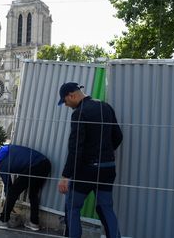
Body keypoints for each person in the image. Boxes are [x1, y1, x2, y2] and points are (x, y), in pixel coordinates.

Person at [56, 82, 123, 238]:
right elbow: (118, 136)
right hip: (107, 167)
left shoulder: (79, 113)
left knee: (72, 207)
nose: (66, 105)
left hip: (87, 170)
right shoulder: (105, 107)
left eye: (65, 101)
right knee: (105, 207)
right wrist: (104, 153)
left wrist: (66, 176)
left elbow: (75, 147)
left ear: (71, 95)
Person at [0, 144, 51, 231]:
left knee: (13, 192)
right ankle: (34, 223)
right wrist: (10, 202)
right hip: (45, 164)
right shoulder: (4, 151)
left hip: (34, 166)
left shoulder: (0, 162)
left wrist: (9, 202)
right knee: (33, 193)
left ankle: (3, 221)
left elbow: (8, 186)